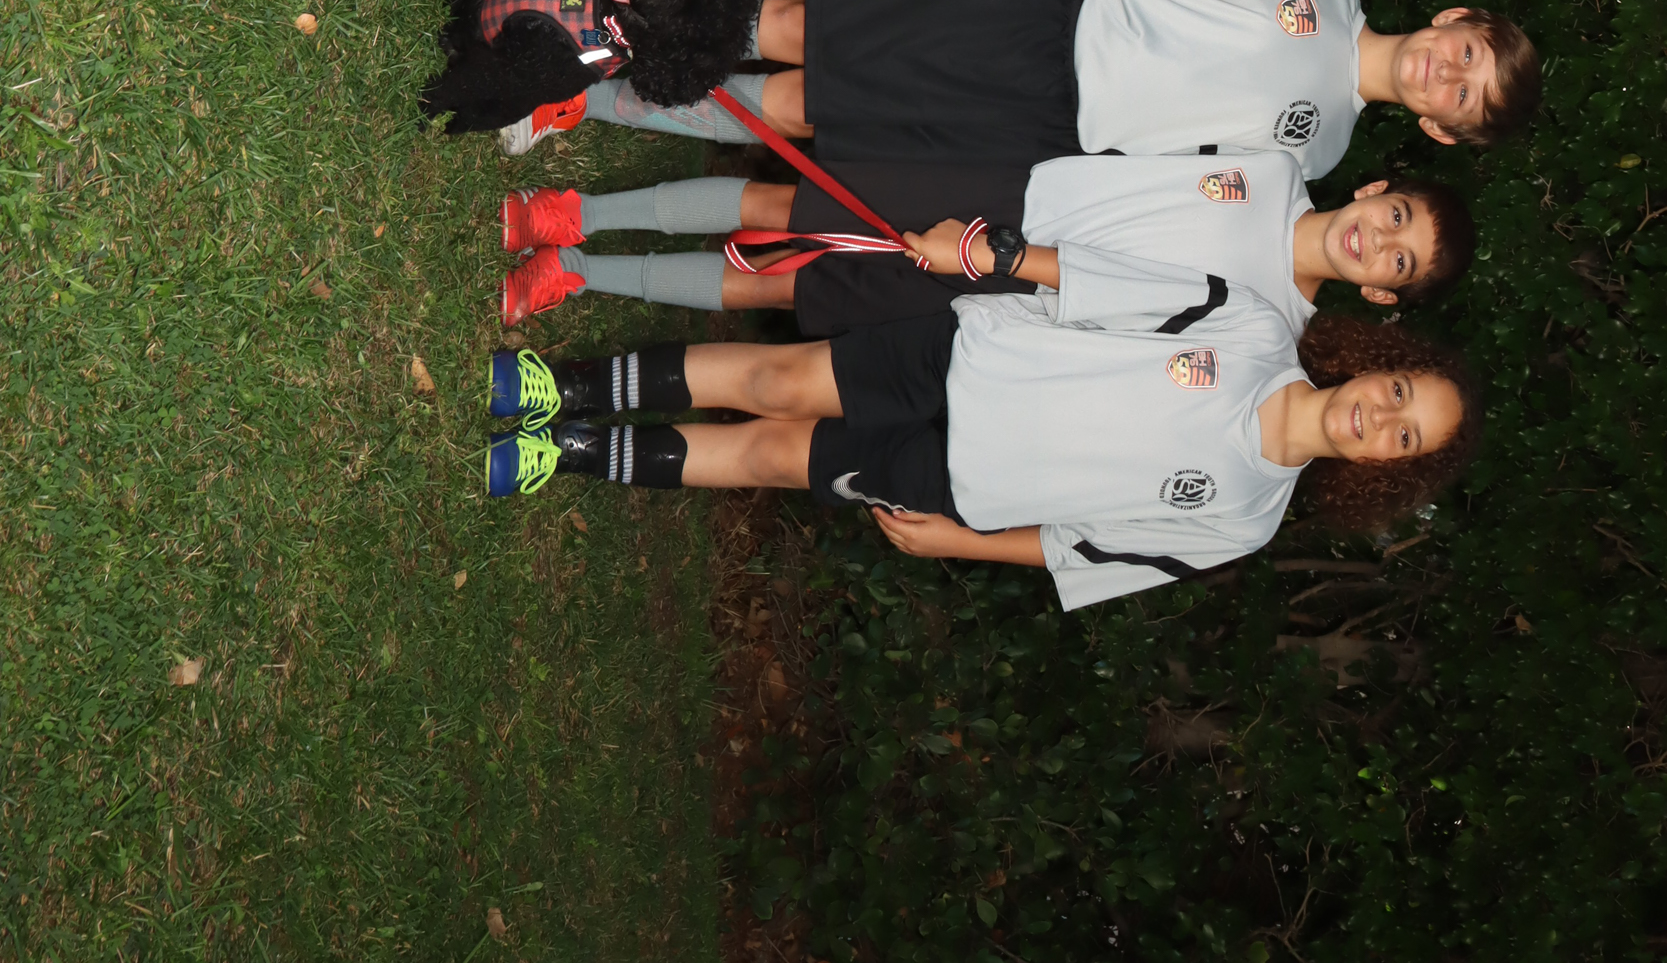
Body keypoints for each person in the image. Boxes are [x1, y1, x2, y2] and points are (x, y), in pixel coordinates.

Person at [479, 298, 1483, 609]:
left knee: (773, 456)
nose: (1377, 418)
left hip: (966, 480)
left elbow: (1083, 550)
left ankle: (568, 451)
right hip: (969, 360)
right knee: (779, 381)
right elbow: (1103, 288)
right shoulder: (1257, 327)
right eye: (1397, 392)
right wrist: (993, 263)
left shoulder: (1247, 519)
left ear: (1385, 469)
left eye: (1403, 439)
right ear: (1378, 365)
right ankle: (565, 387)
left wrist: (958, 541)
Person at [493, 0, 1538, 185]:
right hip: (1052, 9)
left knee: (813, 110)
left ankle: (585, 98)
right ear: (1453, 19)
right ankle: (598, 7)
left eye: (1462, 97)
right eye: (1467, 55)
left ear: (1439, 128)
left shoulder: (1317, 159)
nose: (1445, 74)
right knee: (812, 27)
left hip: (1049, 124)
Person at [491, 142, 1476, 332]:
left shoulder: (1270, 332)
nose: (1375, 240)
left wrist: (999, 272)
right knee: (787, 207)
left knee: (787, 285)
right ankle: (576, 214)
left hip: (1005, 296)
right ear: (1376, 188)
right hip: (1010, 187)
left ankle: (577, 272)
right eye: (1395, 217)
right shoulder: (1273, 160)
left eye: (1396, 263)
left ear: (1379, 293)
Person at [410, 0, 760, 137]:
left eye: (675, 9)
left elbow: (498, 79)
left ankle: (447, 94)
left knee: (505, 95)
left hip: (486, 57)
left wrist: (439, 96)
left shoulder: (582, 61)